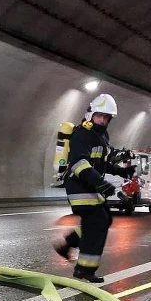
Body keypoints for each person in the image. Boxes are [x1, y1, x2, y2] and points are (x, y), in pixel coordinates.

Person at [52, 93, 124, 283]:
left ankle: (69, 248)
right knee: (98, 221)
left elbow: (101, 162)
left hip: (90, 185)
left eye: (106, 117)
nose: (102, 120)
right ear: (90, 114)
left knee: (101, 220)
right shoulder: (81, 134)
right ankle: (84, 270)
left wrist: (119, 171)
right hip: (79, 186)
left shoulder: (102, 136)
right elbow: (78, 164)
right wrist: (100, 183)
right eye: (99, 115)